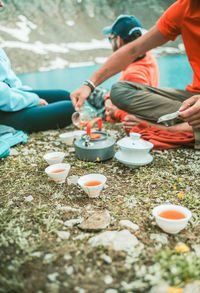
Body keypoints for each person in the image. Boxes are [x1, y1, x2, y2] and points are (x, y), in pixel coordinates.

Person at [70, 0, 200, 148]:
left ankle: (167, 128)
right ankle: (188, 120)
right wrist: (89, 84)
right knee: (118, 90)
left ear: (118, 40)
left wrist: (117, 112)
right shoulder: (184, 7)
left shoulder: (136, 71)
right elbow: (134, 50)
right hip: (193, 97)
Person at [0, 1, 74, 133]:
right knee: (70, 108)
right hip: (2, 113)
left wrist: (28, 95)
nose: (2, 5)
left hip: (9, 99)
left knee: (66, 96)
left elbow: (9, 81)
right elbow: (2, 95)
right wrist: (33, 100)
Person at [90, 15, 159, 124]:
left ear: (119, 40)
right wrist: (108, 97)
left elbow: (139, 113)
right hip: (116, 99)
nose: (111, 42)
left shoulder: (134, 74)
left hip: (111, 113)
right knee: (92, 93)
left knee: (88, 95)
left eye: (111, 38)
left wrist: (114, 111)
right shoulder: (146, 55)